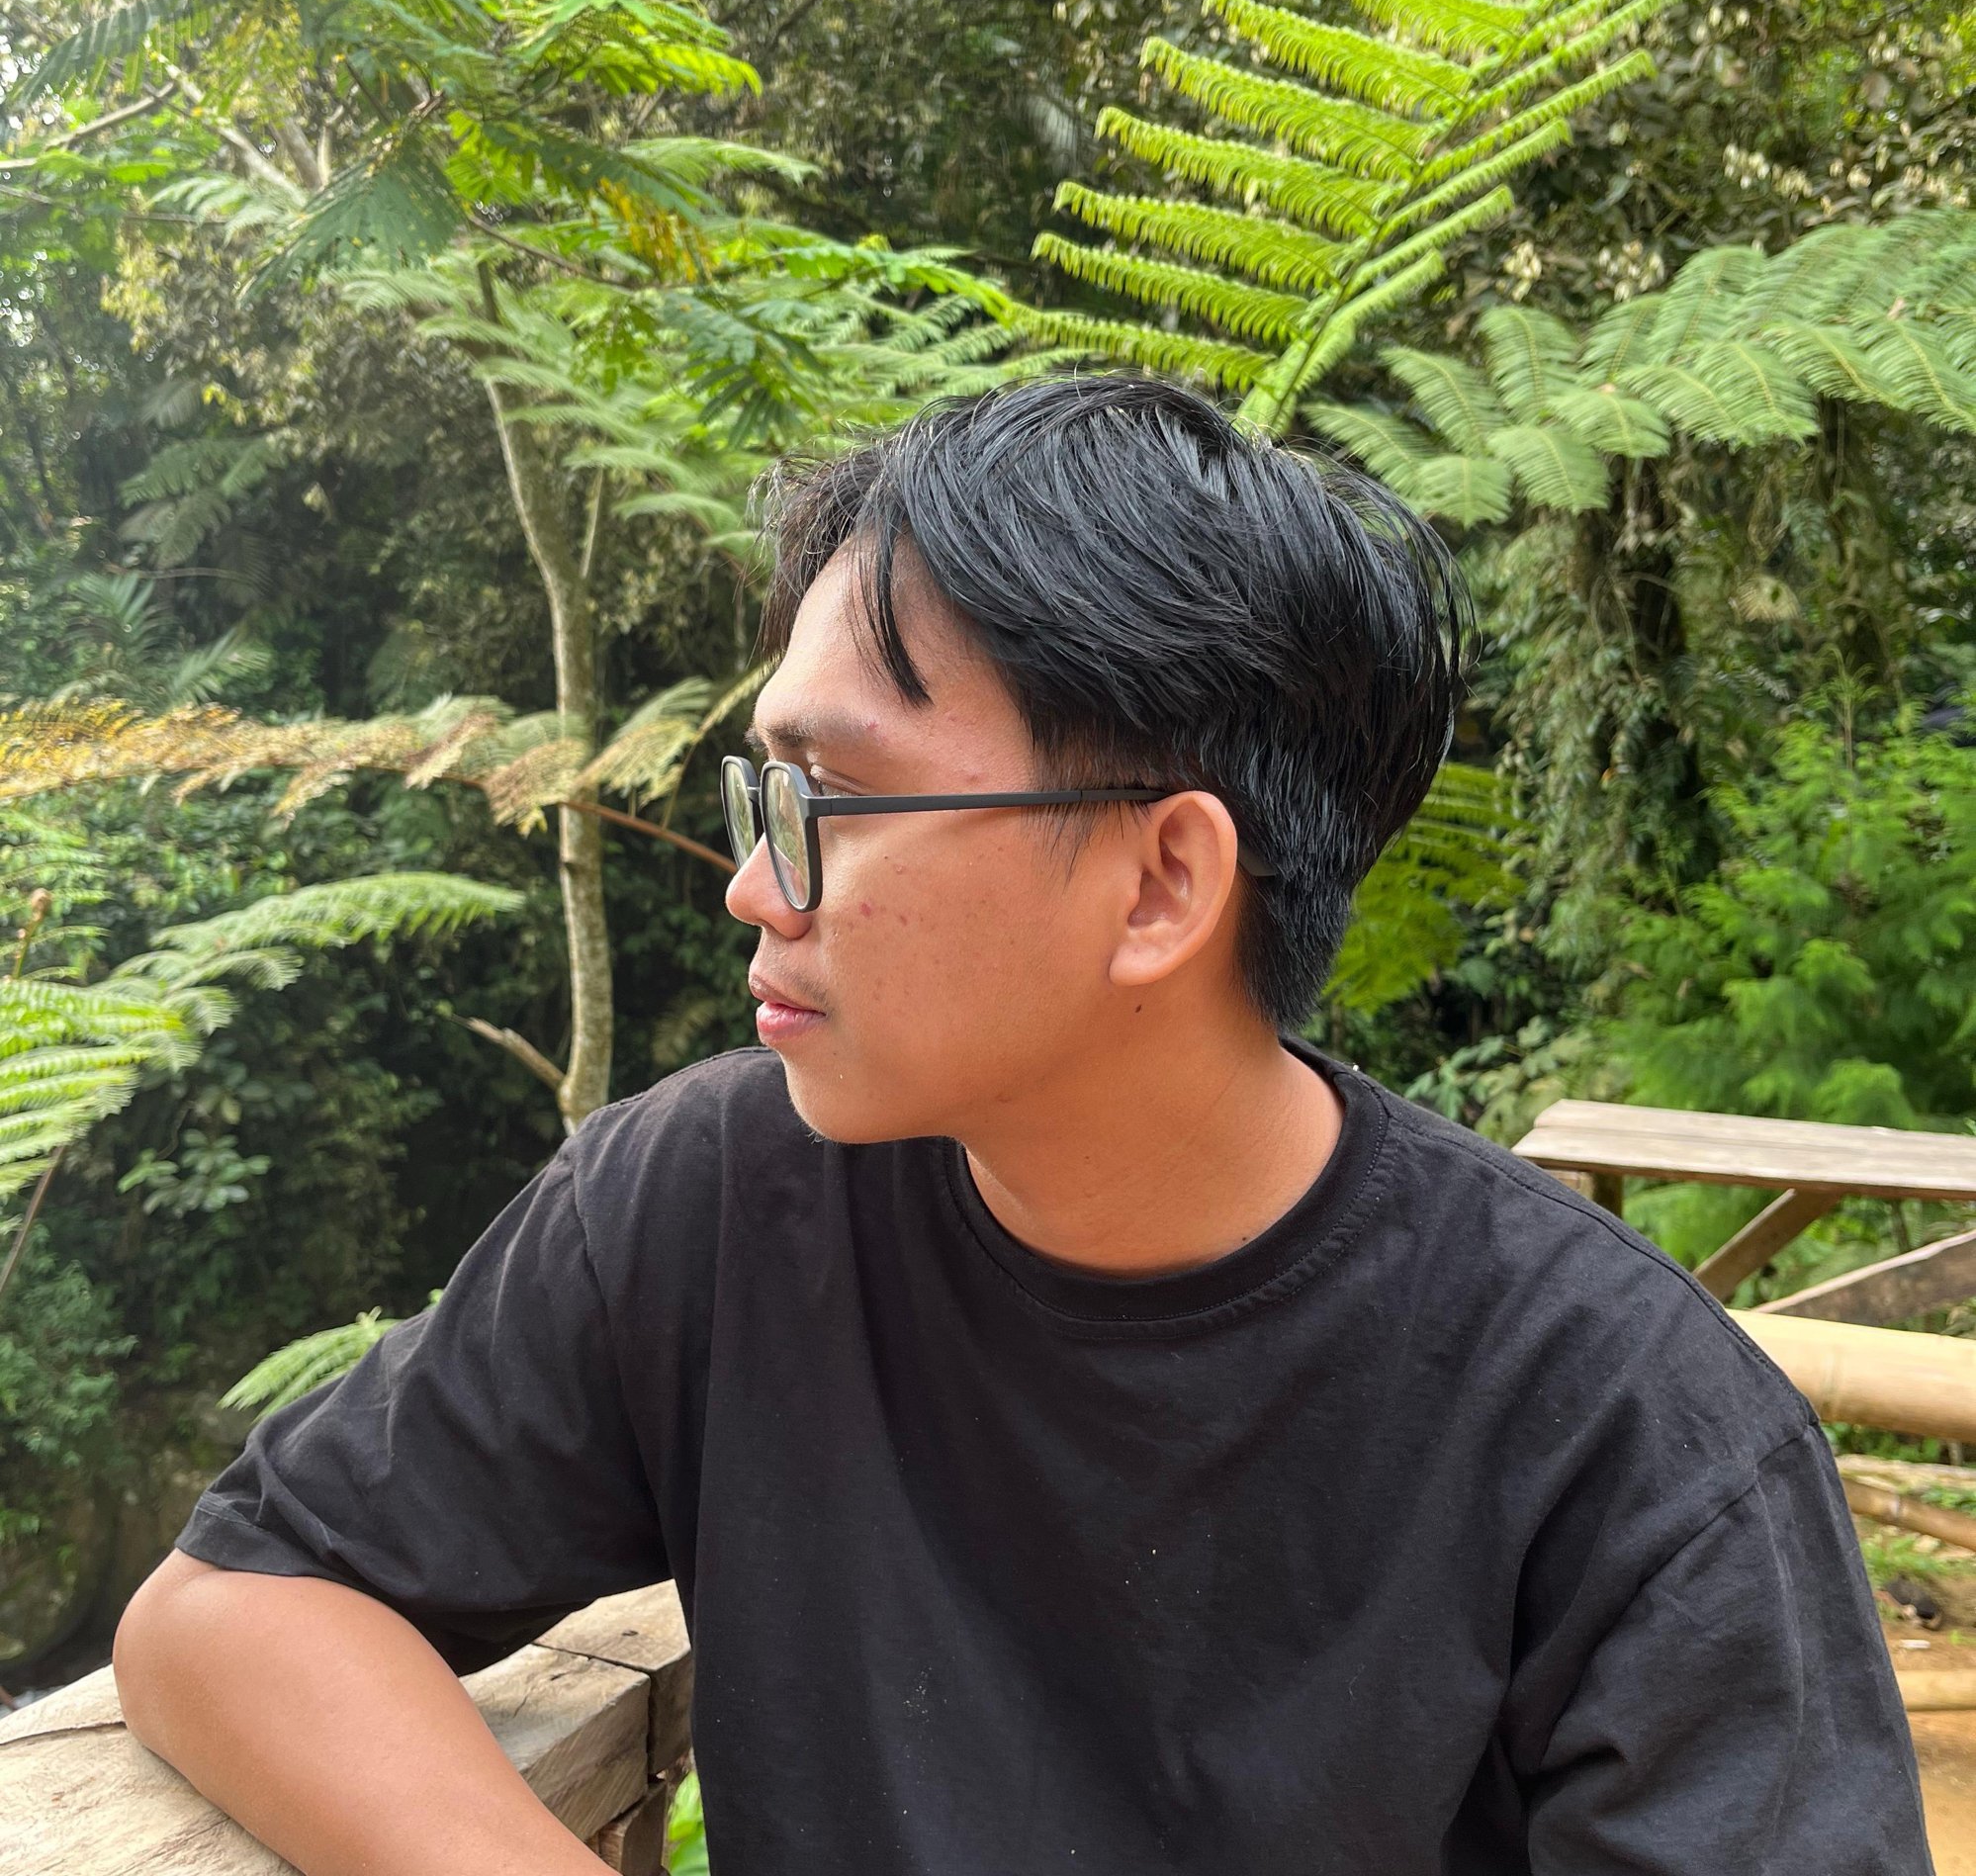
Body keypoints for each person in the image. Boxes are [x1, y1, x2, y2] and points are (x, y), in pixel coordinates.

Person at [114, 375, 1929, 1874]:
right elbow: (235, 1607)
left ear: (1160, 884)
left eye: (832, 801)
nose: (752, 886)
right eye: (765, 790)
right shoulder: (714, 1207)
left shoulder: (1627, 1436)